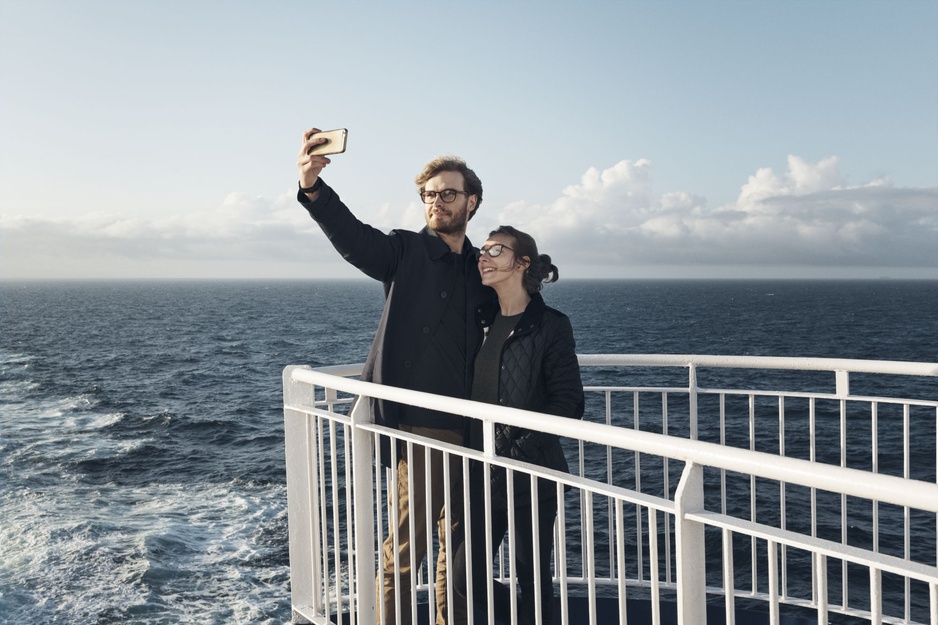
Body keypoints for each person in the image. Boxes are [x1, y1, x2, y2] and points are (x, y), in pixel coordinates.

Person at [296, 128, 492, 625]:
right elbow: (355, 239)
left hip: (478, 428)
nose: (437, 202)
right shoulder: (404, 252)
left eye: (448, 193)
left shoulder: (481, 267)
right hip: (423, 426)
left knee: (460, 554)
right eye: (429, 195)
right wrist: (315, 190)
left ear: (472, 202)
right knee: (407, 551)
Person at [453, 226, 584, 625]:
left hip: (532, 473)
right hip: (481, 472)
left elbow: (569, 402)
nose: (484, 257)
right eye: (482, 251)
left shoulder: (550, 325)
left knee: (532, 578)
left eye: (496, 250)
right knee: (465, 577)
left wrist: (516, 446)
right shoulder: (482, 320)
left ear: (522, 263)